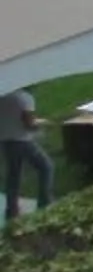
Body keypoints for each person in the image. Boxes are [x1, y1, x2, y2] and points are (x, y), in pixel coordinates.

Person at [0, 89, 49, 229]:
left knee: (13, 175)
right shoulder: (25, 98)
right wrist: (41, 126)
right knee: (46, 167)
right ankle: (44, 204)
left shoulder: (3, 95)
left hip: (5, 141)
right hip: (22, 141)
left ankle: (11, 211)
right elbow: (29, 124)